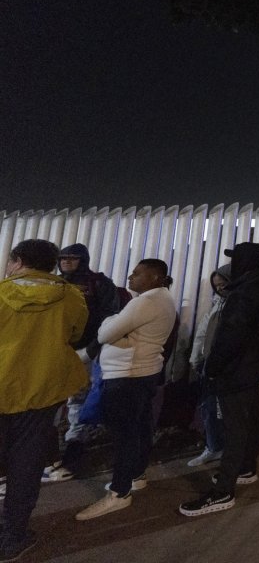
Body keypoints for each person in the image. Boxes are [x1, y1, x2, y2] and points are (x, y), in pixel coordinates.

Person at [0, 240, 89, 561]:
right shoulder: (71, 297)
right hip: (42, 391)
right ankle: (11, 537)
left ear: (18, 260)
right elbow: (76, 334)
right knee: (26, 465)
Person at [75, 259, 177, 521]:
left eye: (136, 274)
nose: (130, 277)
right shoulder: (163, 299)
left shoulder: (146, 301)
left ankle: (119, 493)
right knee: (140, 427)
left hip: (127, 375)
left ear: (154, 277)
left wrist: (111, 320)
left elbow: (105, 334)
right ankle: (136, 475)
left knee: (124, 435)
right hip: (143, 371)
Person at [179, 242, 259, 517]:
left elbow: (230, 337)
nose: (231, 264)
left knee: (235, 428)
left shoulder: (244, 294)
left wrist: (212, 367)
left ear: (244, 261)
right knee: (251, 419)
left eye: (236, 259)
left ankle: (223, 491)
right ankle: (246, 468)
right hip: (254, 368)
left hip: (236, 370)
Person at [42, 243, 122, 484]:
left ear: (83, 260)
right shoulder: (52, 283)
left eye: (72, 258)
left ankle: (73, 449)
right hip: (55, 349)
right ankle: (52, 452)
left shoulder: (98, 283)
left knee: (77, 399)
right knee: (50, 400)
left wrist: (94, 347)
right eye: (63, 258)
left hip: (85, 350)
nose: (66, 262)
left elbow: (110, 315)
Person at [187, 265, 231, 467]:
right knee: (209, 408)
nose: (220, 289)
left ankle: (222, 450)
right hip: (208, 365)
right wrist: (196, 360)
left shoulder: (234, 305)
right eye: (217, 286)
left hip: (222, 368)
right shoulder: (218, 304)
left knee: (220, 410)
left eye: (223, 284)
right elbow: (202, 335)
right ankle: (214, 447)